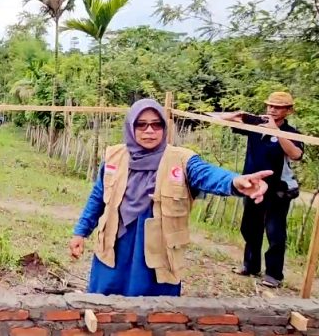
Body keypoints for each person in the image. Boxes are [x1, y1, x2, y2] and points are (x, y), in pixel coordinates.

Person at [68, 98, 272, 297]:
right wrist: (80, 232)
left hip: (157, 253)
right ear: (131, 126)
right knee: (104, 305)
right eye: (142, 124)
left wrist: (235, 182)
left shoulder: (181, 160)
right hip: (115, 246)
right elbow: (98, 198)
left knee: (153, 313)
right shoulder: (115, 156)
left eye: (157, 125)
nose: (150, 131)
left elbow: (207, 174)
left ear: (165, 127)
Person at [224, 91, 304, 288]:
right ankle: (250, 266)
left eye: (277, 107)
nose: (272, 110)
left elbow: (296, 154)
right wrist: (234, 115)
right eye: (270, 106)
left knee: (275, 232)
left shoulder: (291, 132)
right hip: (252, 186)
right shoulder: (255, 125)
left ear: (288, 111)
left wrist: (274, 130)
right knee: (250, 227)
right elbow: (227, 121)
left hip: (278, 190)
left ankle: (274, 274)